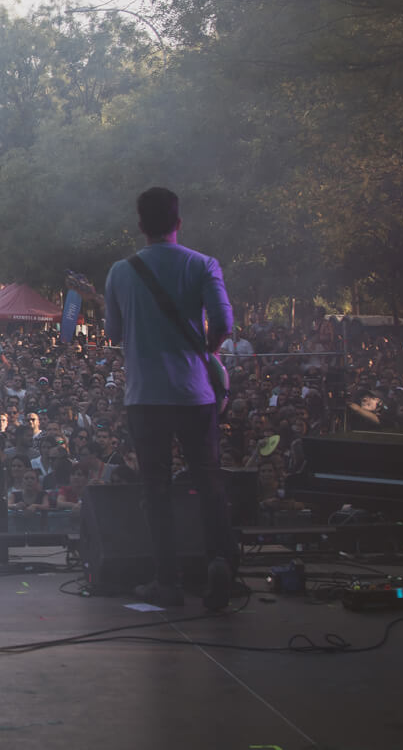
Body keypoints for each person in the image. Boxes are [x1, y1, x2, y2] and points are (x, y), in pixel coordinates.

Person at [104, 187, 235, 610]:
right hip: (196, 393)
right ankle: (220, 565)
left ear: (140, 226)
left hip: (145, 396)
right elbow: (224, 323)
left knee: (156, 489)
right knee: (209, 483)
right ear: (178, 222)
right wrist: (205, 351)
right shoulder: (203, 264)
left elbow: (113, 332)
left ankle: (168, 582)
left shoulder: (120, 272)